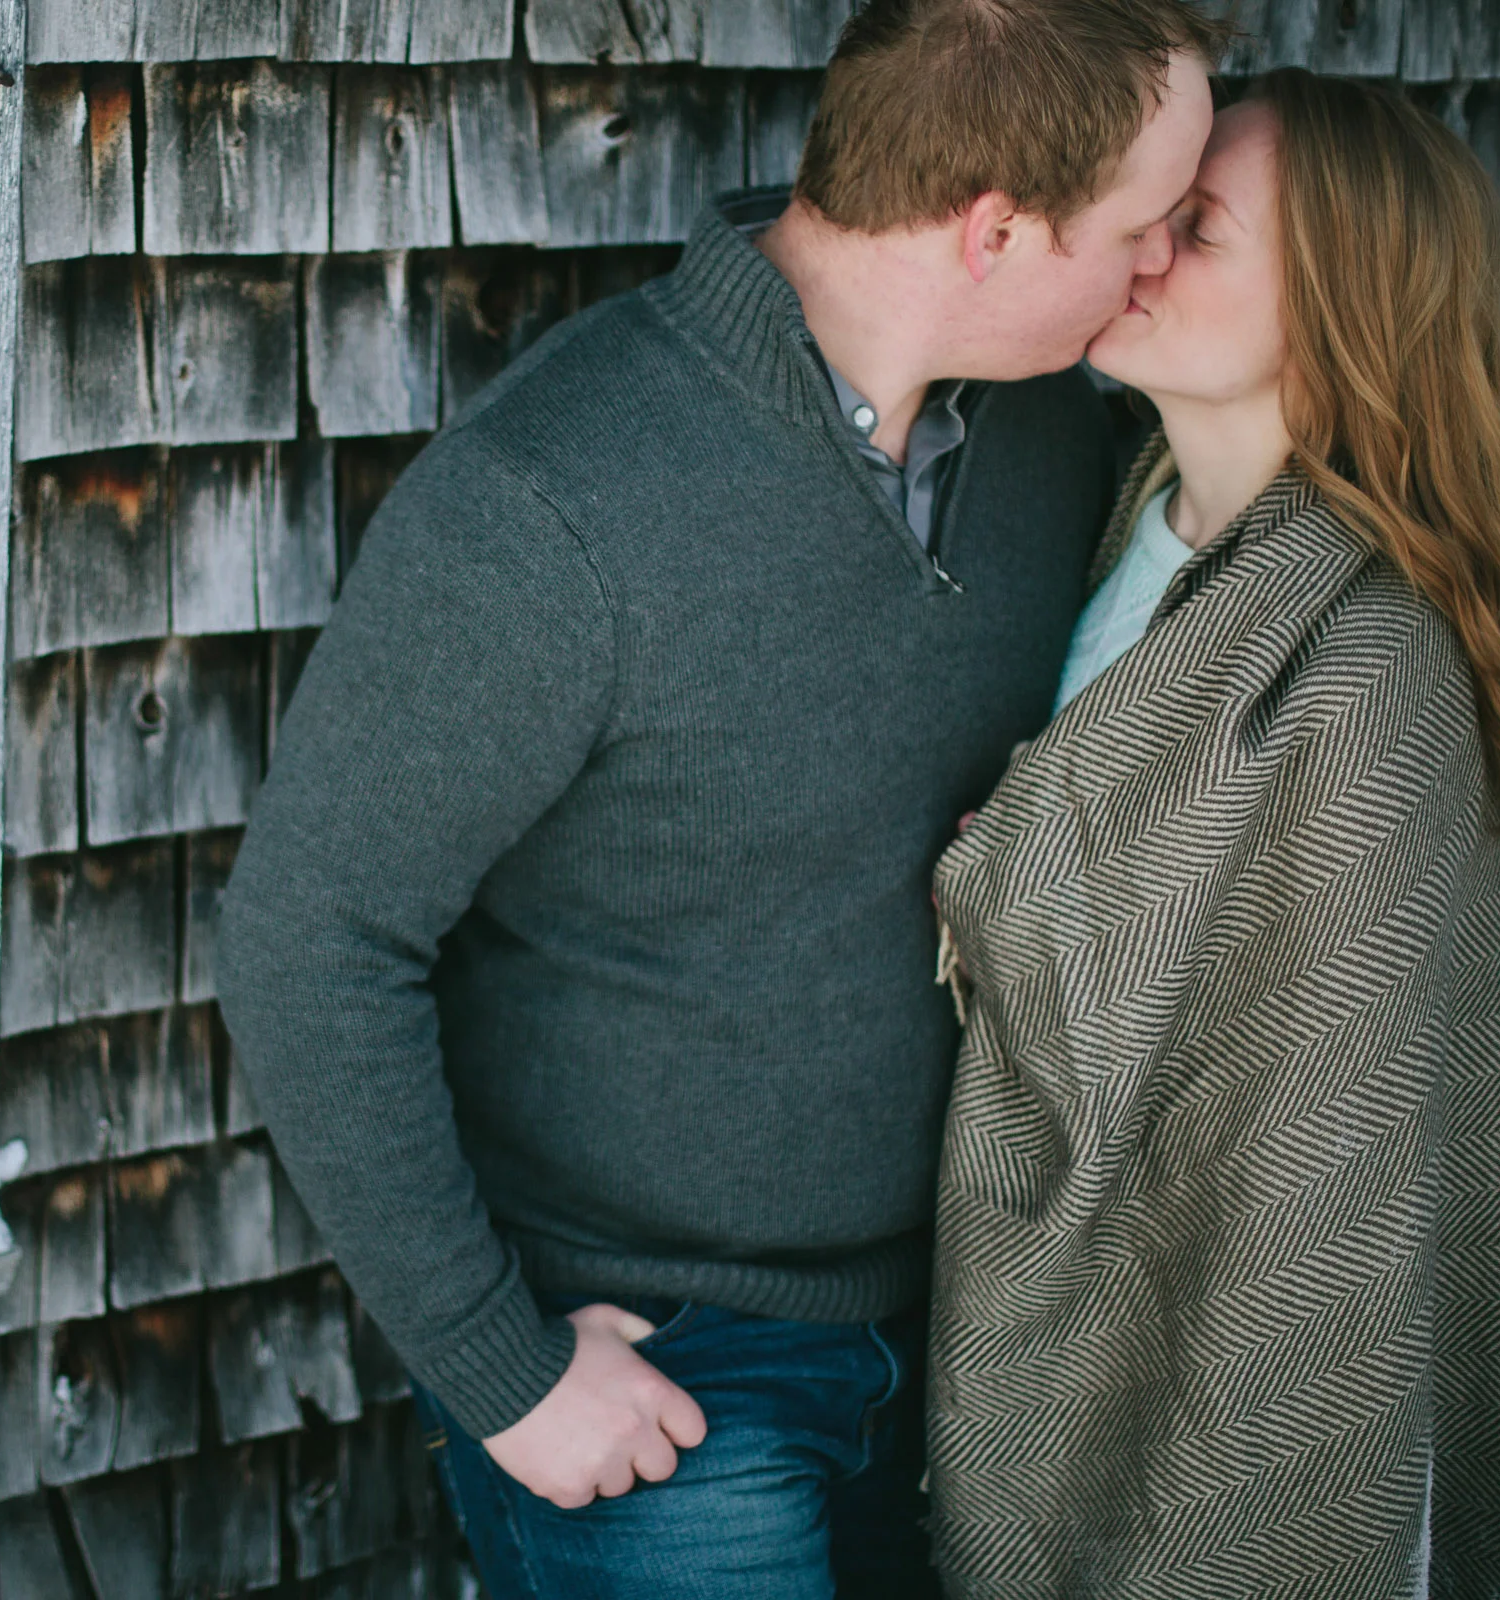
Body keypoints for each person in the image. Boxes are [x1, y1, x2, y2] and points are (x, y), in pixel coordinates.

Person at [215, 1, 1225, 1593]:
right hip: (667, 1370)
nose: (1164, 262)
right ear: (998, 231)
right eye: (1146, 228)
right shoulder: (556, 501)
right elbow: (309, 935)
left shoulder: (1050, 442)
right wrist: (505, 1370)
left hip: (980, 1323)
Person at [928, 72, 1500, 1597]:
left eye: (1195, 231)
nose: (1137, 254)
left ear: (1341, 304)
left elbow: (1320, 1137)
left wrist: (1000, 880)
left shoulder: (1371, 668)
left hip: (1245, 1340)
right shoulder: (1127, 526)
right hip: (1022, 1296)